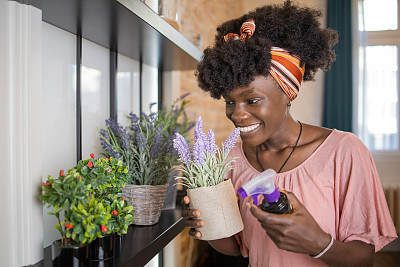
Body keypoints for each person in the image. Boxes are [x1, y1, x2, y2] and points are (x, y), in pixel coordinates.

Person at [182, 1, 398, 266]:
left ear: (287, 95)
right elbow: (237, 248)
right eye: (230, 101)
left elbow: (363, 259)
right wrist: (208, 224)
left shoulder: (344, 151)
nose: (237, 115)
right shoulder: (232, 160)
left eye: (252, 101)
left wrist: (318, 244)